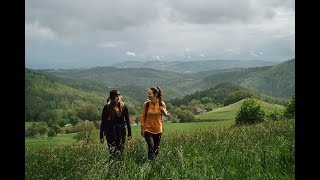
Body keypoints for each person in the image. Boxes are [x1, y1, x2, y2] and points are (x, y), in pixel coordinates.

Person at [100, 90, 132, 160]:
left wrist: (129, 133)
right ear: (112, 98)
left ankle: (121, 167)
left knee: (121, 151)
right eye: (116, 97)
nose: (118, 98)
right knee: (112, 151)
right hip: (110, 133)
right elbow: (103, 122)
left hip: (121, 132)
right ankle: (112, 167)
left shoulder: (123, 106)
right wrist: (101, 136)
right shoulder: (107, 108)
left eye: (118, 96)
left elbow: (127, 120)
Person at [141, 86, 168, 160]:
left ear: (155, 94)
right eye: (148, 93)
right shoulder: (146, 104)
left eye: (149, 94)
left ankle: (155, 163)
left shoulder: (161, 104)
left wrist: (163, 111)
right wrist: (142, 128)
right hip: (148, 129)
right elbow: (143, 116)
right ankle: (150, 161)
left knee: (156, 148)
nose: (148, 95)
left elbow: (166, 115)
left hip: (158, 129)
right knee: (151, 146)